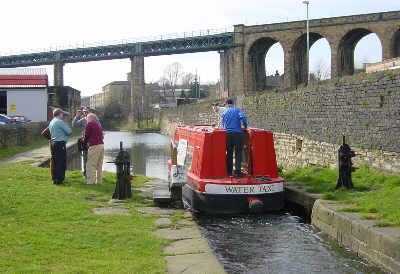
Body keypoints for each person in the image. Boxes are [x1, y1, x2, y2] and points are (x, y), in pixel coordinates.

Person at [221, 99, 247, 178]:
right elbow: (243, 118)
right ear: (232, 104)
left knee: (229, 153)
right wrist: (245, 126)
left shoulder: (224, 113)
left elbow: (223, 125)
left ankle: (229, 172)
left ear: (227, 104)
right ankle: (238, 172)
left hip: (228, 135)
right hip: (238, 134)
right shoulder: (237, 110)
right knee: (238, 153)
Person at [49, 108, 72, 185]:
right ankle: (59, 180)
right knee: (61, 161)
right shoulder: (60, 122)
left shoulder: (52, 121)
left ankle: (54, 178)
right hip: (60, 144)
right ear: (60, 114)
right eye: (62, 114)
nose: (63, 115)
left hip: (53, 143)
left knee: (55, 161)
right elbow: (69, 131)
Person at [83, 113, 104, 185]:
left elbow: (86, 135)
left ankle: (91, 182)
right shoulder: (98, 125)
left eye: (87, 118)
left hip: (94, 145)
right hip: (101, 145)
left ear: (90, 118)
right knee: (99, 165)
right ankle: (99, 181)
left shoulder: (89, 124)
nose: (86, 120)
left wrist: (84, 141)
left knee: (90, 164)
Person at [72, 108, 89, 178]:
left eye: (87, 112)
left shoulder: (94, 119)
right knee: (85, 158)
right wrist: (77, 116)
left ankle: (92, 173)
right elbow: (74, 125)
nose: (85, 113)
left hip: (93, 141)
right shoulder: (83, 120)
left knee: (92, 158)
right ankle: (85, 174)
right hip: (85, 141)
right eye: (84, 112)